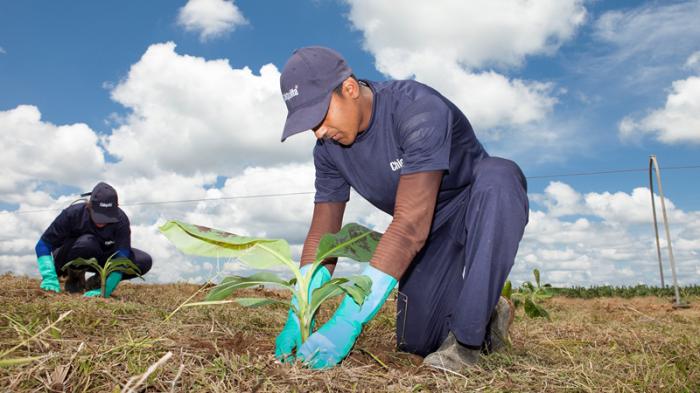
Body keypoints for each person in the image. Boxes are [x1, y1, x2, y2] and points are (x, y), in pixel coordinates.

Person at [273, 46, 529, 372]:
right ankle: (488, 317)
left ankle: (466, 344)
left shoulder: (416, 109)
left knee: (500, 177)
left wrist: (348, 319)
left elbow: (409, 224)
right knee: (419, 342)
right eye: (309, 125)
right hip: (428, 232)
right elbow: (324, 233)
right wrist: (299, 311)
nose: (318, 131)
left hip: (471, 204)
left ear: (349, 89)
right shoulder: (328, 150)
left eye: (320, 116)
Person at [34, 182, 152, 298]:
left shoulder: (121, 219)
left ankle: (98, 281)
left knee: (143, 261)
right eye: (98, 215)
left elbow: (122, 255)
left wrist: (107, 286)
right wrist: (49, 276)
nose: (101, 222)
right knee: (87, 243)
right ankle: (75, 279)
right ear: (89, 206)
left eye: (107, 217)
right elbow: (43, 245)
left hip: (101, 255)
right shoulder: (72, 213)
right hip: (70, 255)